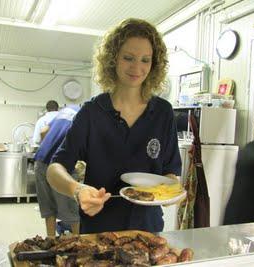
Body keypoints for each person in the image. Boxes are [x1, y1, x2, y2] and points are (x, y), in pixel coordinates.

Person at [47, 18, 181, 234]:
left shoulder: (163, 112)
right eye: (128, 58)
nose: (137, 67)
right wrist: (77, 189)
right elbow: (55, 169)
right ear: (113, 59)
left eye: (145, 60)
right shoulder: (92, 112)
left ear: (154, 64)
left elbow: (171, 173)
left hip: (147, 231)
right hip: (99, 230)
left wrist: (170, 192)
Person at [34, 105, 81, 237]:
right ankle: (78, 242)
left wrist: (50, 148)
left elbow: (43, 131)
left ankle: (51, 241)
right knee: (71, 210)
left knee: (49, 208)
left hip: (41, 160)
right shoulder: (84, 115)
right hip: (61, 166)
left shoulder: (65, 112)